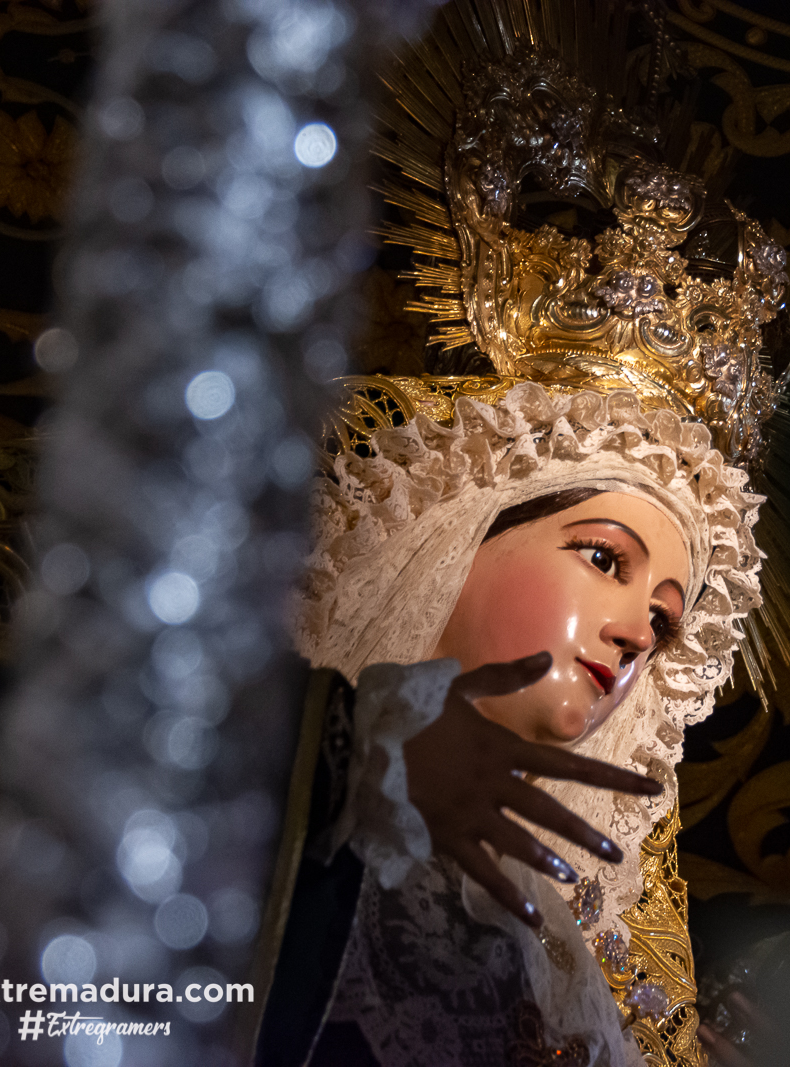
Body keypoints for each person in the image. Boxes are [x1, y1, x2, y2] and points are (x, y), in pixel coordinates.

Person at [247, 385, 763, 1066]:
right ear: (456, 535)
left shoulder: (571, 966)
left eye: (663, 621)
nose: (639, 633)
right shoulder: (294, 754)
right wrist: (354, 749)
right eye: (605, 558)